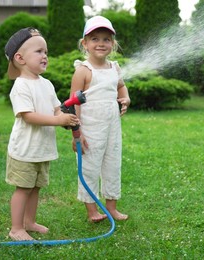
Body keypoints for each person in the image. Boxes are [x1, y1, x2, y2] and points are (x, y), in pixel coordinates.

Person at [4, 28, 79, 241]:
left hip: (42, 149)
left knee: (35, 188)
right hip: (25, 150)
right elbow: (28, 116)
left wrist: (66, 120)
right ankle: (16, 228)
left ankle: (29, 222)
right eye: (39, 51)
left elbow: (56, 109)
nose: (45, 56)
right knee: (23, 189)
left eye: (46, 51)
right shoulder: (20, 86)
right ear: (20, 58)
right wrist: (57, 120)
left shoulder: (46, 84)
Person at [70, 16, 131, 222]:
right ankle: (92, 211)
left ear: (113, 44)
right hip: (90, 128)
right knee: (90, 167)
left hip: (112, 126)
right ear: (84, 43)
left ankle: (111, 208)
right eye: (95, 39)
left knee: (112, 164)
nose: (101, 43)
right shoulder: (83, 70)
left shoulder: (114, 67)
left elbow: (120, 86)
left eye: (106, 39)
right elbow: (74, 103)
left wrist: (126, 97)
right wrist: (77, 133)